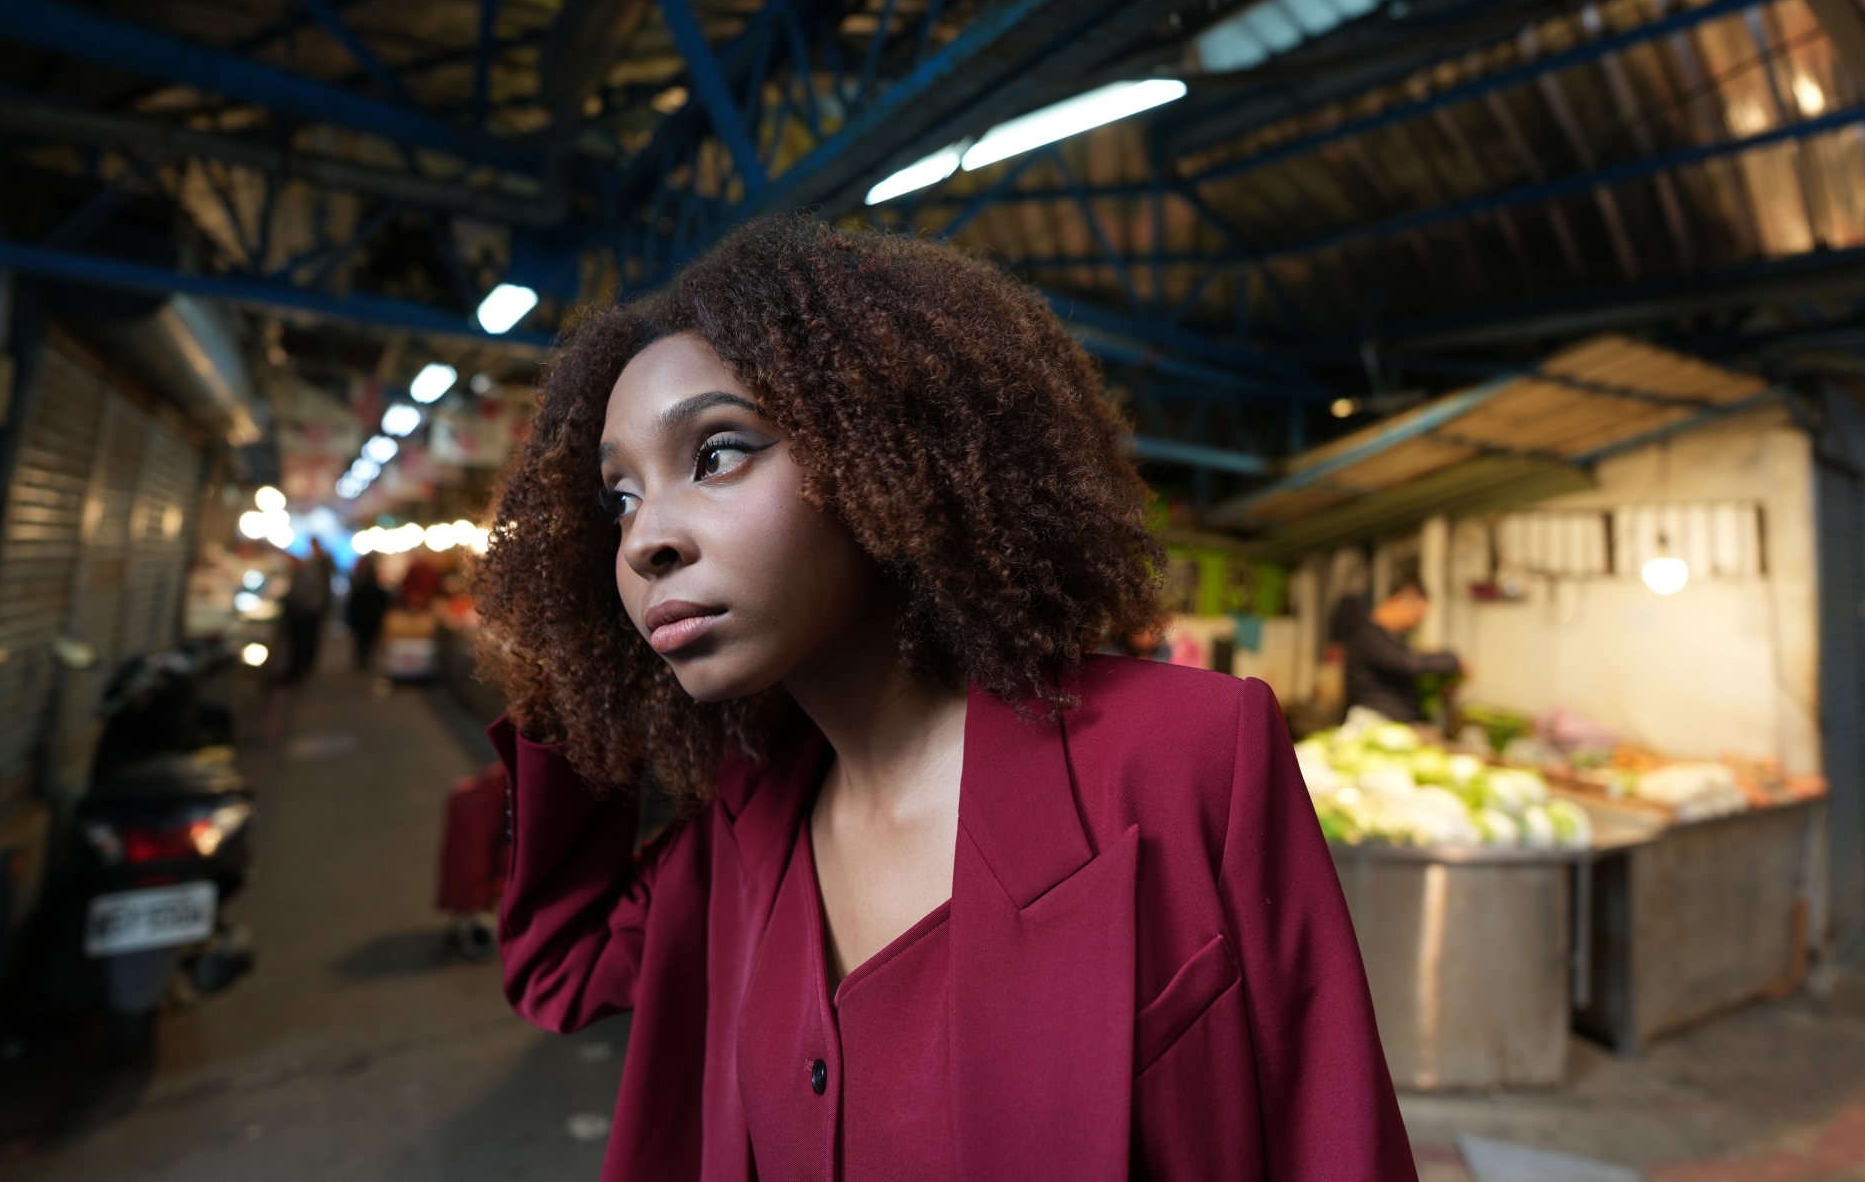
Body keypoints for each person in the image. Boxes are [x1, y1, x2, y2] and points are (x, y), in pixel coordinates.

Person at [472, 215, 1414, 1182]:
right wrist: (575, 662)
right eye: (617, 498)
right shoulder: (743, 831)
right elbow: (561, 962)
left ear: (887, 447)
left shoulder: (1186, 754)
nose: (644, 540)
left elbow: (1331, 1144)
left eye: (716, 453)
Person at [1331, 575, 1463, 723]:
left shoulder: (1391, 638)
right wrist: (1453, 660)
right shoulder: (1369, 635)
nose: (1416, 624)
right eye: (1415, 617)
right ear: (1399, 601)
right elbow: (1410, 663)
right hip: (1374, 722)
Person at [281, 537, 334, 682]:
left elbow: (304, 593)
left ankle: (298, 671)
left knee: (302, 642)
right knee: (306, 641)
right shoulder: (314, 565)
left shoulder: (313, 567)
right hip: (311, 609)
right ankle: (303, 667)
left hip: (307, 610)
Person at [345, 554, 389, 671]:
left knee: (361, 641)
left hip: (361, 619)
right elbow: (385, 604)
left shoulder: (360, 589)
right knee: (370, 640)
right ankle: (365, 660)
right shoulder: (379, 591)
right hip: (373, 619)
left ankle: (361, 659)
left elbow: (352, 603)